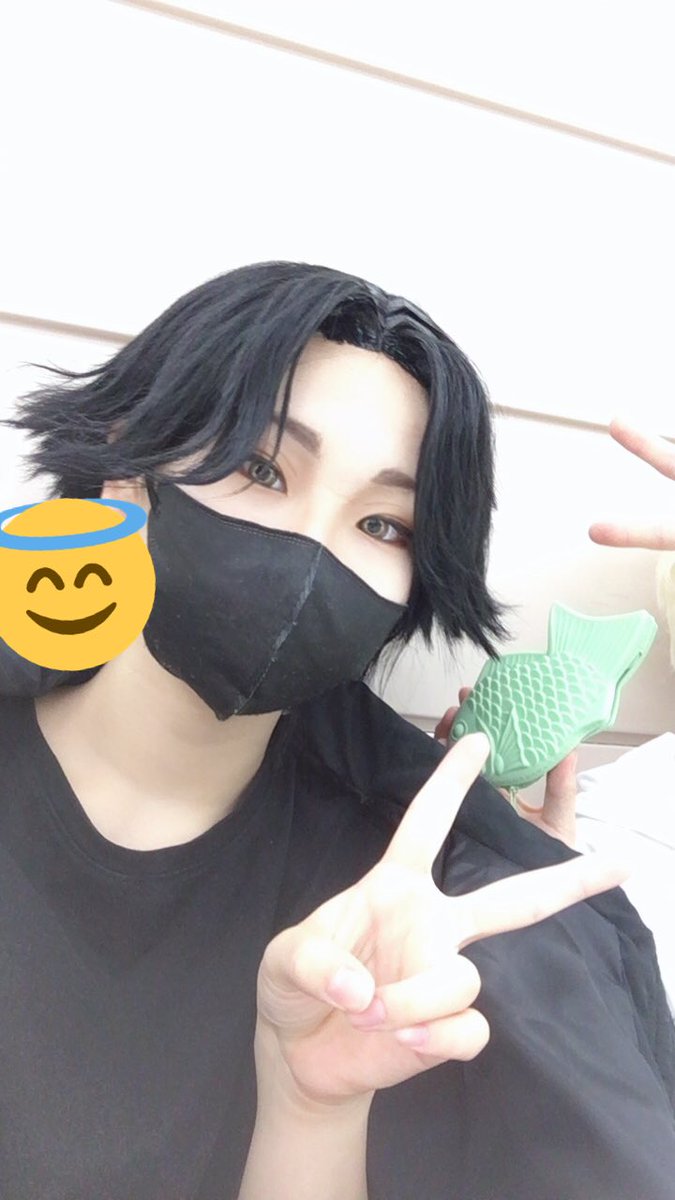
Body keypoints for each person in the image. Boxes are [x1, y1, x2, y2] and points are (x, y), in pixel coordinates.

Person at [0, 263, 673, 1200]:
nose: (309, 551)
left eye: (384, 525)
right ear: (127, 471)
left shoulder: (403, 907)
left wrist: (310, 1106)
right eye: (262, 468)